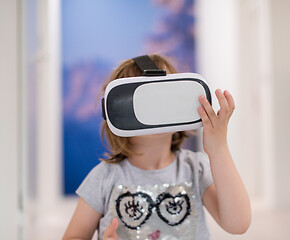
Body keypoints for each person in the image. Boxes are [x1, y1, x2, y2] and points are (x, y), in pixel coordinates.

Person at [62, 54, 251, 240]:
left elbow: (238, 224)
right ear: (119, 112)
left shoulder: (195, 168)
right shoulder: (103, 178)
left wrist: (219, 149)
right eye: (145, 100)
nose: (158, 109)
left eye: (166, 97)